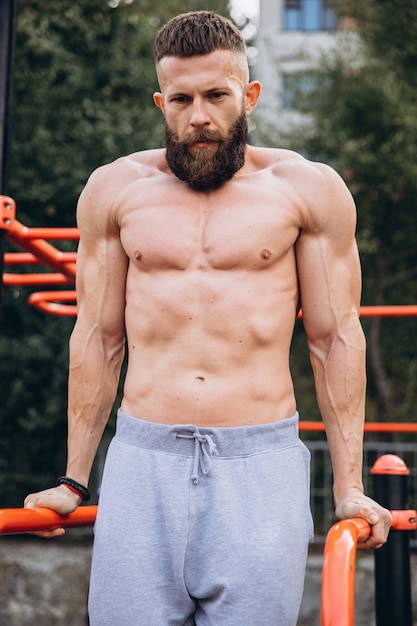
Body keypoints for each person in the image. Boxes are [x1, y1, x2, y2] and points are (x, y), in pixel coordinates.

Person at [24, 11, 392, 626]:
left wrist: (349, 485)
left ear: (248, 96)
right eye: (182, 99)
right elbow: (97, 337)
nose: (199, 117)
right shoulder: (115, 189)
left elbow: (334, 339)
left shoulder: (306, 189)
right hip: (143, 462)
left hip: (260, 465)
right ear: (159, 101)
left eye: (217, 96)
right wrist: (74, 480)